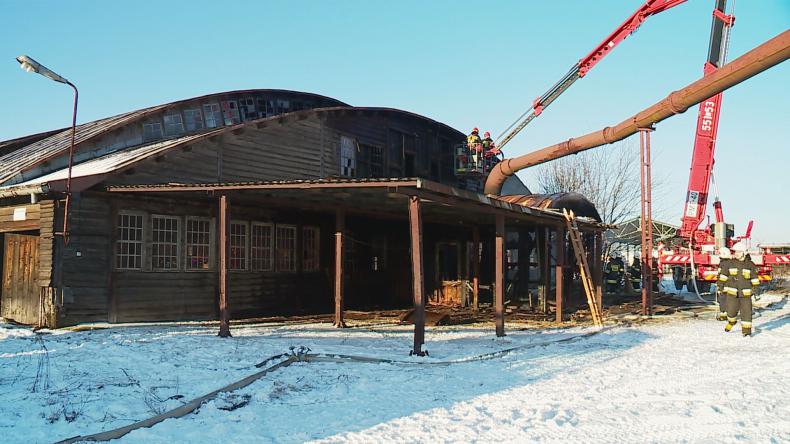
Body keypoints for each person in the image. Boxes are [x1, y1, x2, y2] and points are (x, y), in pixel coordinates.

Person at [722, 242, 761, 336]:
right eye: (735, 251)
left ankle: (746, 332)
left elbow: (754, 278)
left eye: (738, 252)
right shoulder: (729, 263)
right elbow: (723, 276)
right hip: (732, 293)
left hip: (746, 293)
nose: (736, 253)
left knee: (747, 312)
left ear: (744, 252)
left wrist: (755, 289)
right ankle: (731, 322)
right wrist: (720, 286)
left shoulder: (750, 265)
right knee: (731, 312)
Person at [716, 246, 733, 321]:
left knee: (722, 299)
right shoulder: (729, 262)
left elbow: (722, 276)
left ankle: (724, 315)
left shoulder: (724, 263)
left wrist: (720, 285)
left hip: (725, 285)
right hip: (730, 285)